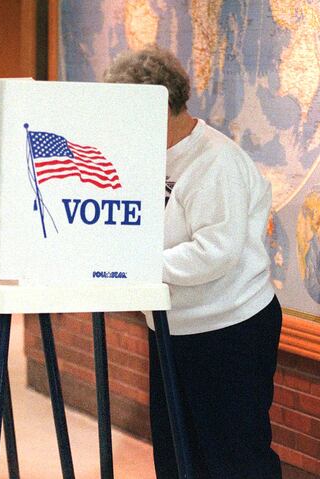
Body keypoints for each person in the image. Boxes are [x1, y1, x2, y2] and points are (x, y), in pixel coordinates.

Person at [104, 45, 282, 479]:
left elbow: (215, 252)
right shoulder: (149, 154)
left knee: (234, 456)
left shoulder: (216, 161)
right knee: (177, 453)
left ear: (164, 105)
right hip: (173, 327)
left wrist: (136, 266)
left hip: (230, 329)